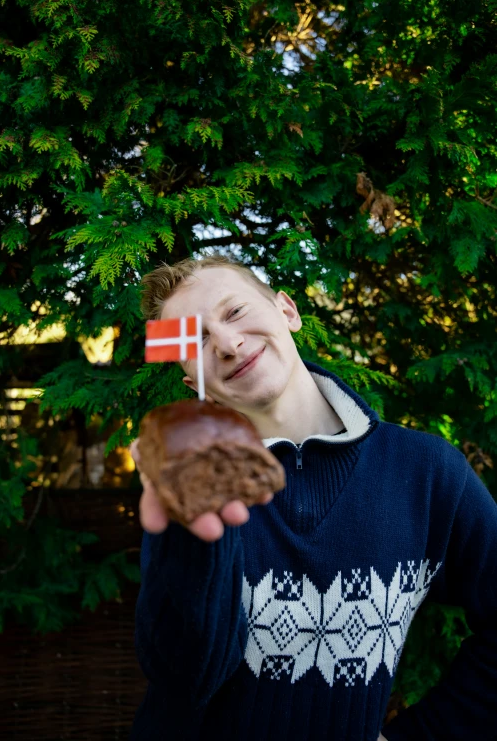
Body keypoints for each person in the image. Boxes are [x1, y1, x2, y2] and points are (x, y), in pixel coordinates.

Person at [129, 254, 497, 741]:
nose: (228, 344)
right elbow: (182, 678)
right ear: (190, 383)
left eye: (235, 312)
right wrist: (193, 542)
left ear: (288, 311)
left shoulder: (427, 472)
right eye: (195, 339)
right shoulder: (191, 486)